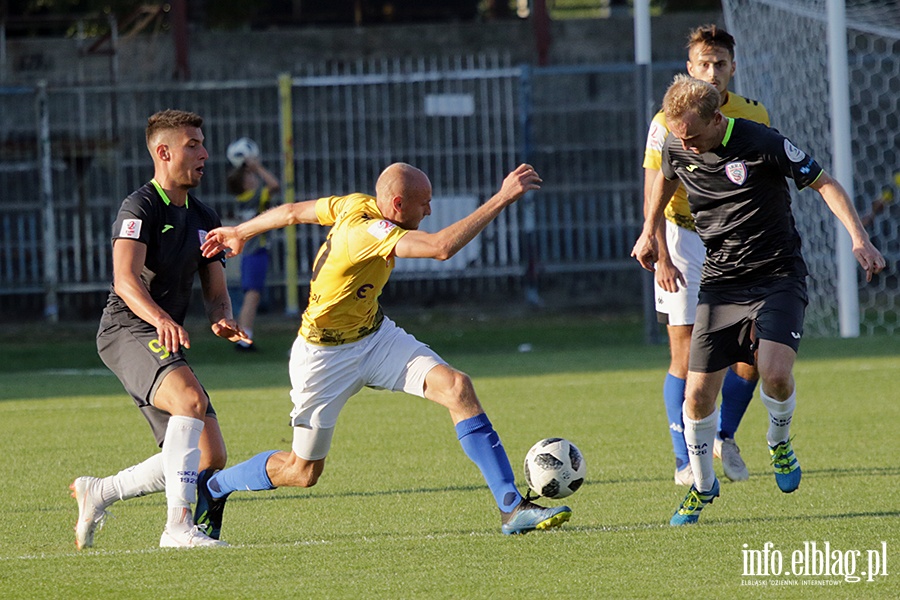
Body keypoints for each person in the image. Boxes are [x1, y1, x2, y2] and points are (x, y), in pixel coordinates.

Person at [194, 162, 572, 537]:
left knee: (457, 387)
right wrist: (503, 197)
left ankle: (511, 508)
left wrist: (241, 231)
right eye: (423, 203)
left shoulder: (353, 204)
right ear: (395, 204)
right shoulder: (368, 231)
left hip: (375, 338)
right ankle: (215, 486)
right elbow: (441, 248)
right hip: (323, 358)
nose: (429, 211)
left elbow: (294, 212)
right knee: (302, 471)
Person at [632, 76, 885, 525]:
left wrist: (859, 238)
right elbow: (666, 180)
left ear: (717, 118)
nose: (685, 145)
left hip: (777, 276)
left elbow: (824, 182)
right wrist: (650, 230)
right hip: (721, 284)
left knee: (775, 375)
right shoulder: (676, 143)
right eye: (678, 136)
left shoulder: (761, 141)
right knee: (696, 399)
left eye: (691, 135)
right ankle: (702, 486)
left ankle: (778, 442)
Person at [70, 109, 249, 549]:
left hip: (159, 334)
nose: (205, 153)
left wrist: (222, 318)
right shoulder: (140, 206)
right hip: (125, 328)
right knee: (190, 400)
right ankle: (177, 528)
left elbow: (216, 291)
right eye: (193, 145)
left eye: (203, 143)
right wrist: (163, 318)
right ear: (163, 152)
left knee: (210, 457)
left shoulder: (205, 215)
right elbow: (125, 280)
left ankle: (100, 492)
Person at [643, 24, 770, 487]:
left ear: (733, 68)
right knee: (687, 353)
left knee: (755, 347)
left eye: (720, 64)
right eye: (703, 64)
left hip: (739, 242)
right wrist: (659, 250)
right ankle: (683, 461)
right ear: (689, 68)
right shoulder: (665, 121)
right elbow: (653, 189)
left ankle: (724, 434)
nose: (712, 72)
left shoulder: (753, 114)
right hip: (683, 239)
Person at [226, 152, 281, 351]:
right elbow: (274, 185)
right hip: (255, 252)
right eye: (250, 177)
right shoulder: (254, 196)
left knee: (252, 294)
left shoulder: (243, 199)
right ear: (245, 183)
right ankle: (244, 338)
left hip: (249, 253)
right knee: (253, 295)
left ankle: (242, 335)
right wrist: (257, 167)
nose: (254, 178)